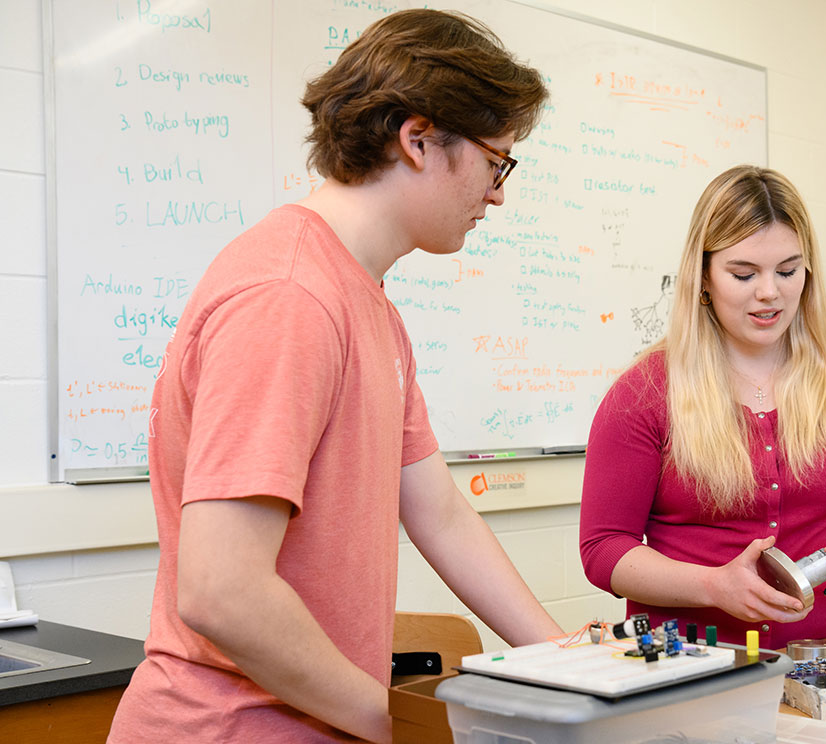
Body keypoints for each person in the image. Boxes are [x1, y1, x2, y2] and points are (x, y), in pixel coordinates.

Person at [110, 10, 561, 743]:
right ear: (419, 141)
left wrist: (566, 661)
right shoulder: (289, 299)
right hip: (229, 728)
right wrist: (394, 724)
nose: (500, 192)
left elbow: (439, 512)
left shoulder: (368, 305)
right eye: (496, 161)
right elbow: (223, 592)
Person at [578, 165, 826, 649]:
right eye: (744, 273)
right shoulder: (643, 394)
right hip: (687, 671)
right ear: (703, 275)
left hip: (818, 666)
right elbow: (603, 550)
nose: (770, 292)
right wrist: (711, 586)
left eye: (787, 270)